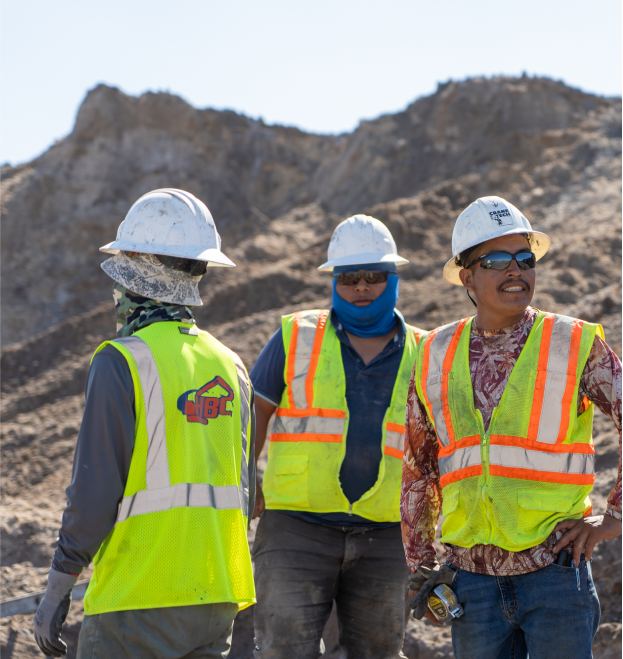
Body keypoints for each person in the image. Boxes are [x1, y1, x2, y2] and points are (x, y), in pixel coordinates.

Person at [33, 189, 256, 658]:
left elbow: (94, 494)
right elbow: (244, 491)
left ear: (134, 268)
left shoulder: (123, 360)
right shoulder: (230, 365)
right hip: (216, 595)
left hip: (138, 601)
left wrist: (57, 588)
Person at [401, 196, 622, 659]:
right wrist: (421, 563)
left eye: (526, 259)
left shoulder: (572, 341)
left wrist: (615, 517)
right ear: (467, 277)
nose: (516, 271)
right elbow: (419, 466)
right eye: (497, 260)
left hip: (556, 571)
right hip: (471, 583)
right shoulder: (435, 353)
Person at [249, 214, 427, 659]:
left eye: (373, 277)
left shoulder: (427, 351)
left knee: (379, 653)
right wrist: (243, 475)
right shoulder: (295, 336)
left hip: (386, 533)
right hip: (296, 528)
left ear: (394, 279)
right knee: (282, 651)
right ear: (333, 281)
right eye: (349, 278)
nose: (361, 287)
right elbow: (255, 413)